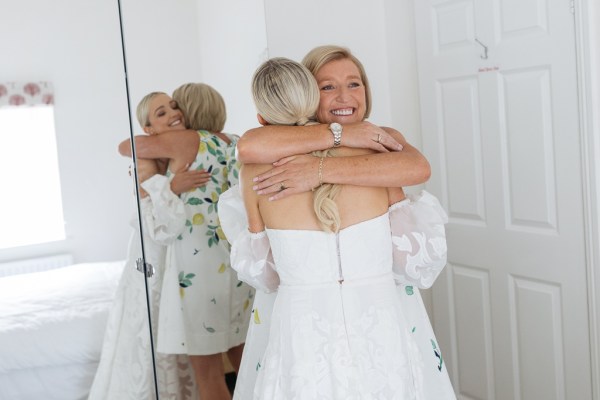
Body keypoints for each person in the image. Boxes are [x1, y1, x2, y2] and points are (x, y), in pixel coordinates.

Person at [222, 56, 454, 399]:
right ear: (310, 98)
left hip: (304, 329)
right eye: (328, 86)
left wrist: (319, 171)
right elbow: (415, 260)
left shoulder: (258, 173)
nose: (344, 95)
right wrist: (341, 137)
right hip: (377, 322)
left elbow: (264, 275)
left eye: (354, 83)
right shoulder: (377, 156)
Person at [118, 83, 253, 400]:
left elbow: (127, 146)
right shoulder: (236, 142)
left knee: (208, 377)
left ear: (189, 110)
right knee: (247, 367)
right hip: (237, 261)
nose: (176, 114)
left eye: (177, 106)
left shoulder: (188, 140)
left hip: (198, 269)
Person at [89, 92, 204, 399]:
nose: (174, 113)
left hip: (176, 256)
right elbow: (156, 226)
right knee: (154, 329)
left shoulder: (183, 149)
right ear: (149, 128)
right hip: (153, 256)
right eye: (161, 113)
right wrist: (172, 187)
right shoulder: (146, 160)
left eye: (174, 106)